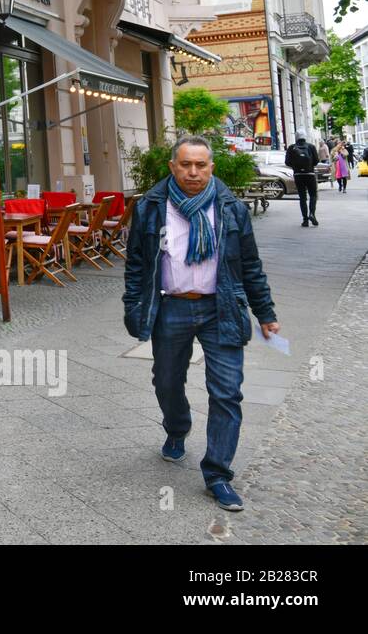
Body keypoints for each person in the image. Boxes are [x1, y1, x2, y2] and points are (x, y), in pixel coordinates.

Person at [122, 135, 281, 511]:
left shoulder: (230, 208)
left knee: (227, 392)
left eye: (201, 165)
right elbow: (137, 265)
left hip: (221, 308)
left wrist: (266, 313)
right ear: (172, 167)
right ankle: (177, 428)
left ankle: (218, 474)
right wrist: (133, 306)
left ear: (212, 167)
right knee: (166, 381)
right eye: (186, 164)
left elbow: (250, 266)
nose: (193, 172)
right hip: (171, 308)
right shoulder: (150, 207)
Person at [285, 134, 320, 226]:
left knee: (302, 198)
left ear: (296, 137)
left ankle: (305, 220)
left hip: (298, 175)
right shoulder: (311, 147)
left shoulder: (291, 147)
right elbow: (316, 161)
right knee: (313, 195)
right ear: (305, 137)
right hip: (310, 174)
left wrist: (295, 167)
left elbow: (287, 162)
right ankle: (312, 214)